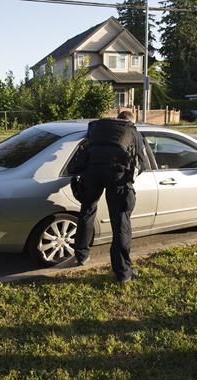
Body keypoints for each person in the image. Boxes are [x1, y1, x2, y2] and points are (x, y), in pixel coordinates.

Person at [71, 110, 150, 283]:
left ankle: (81, 255)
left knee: (87, 211)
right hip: (117, 177)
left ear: (118, 119)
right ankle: (122, 272)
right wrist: (130, 178)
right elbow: (143, 163)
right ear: (131, 122)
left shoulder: (98, 131)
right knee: (120, 223)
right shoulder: (133, 133)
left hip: (92, 173)